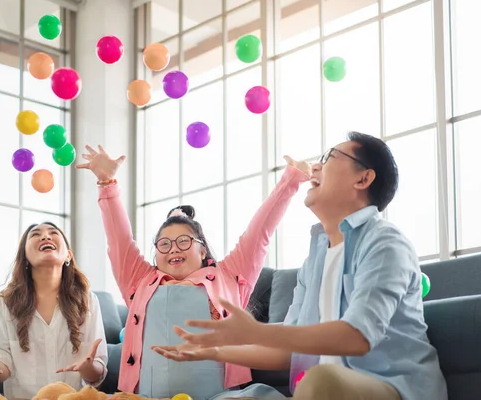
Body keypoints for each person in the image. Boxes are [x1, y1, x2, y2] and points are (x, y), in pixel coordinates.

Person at [153, 132, 448, 400]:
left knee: (322, 381)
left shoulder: (385, 242)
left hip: (393, 388)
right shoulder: (315, 258)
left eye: (329, 159)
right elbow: (290, 349)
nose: (315, 168)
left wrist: (255, 332)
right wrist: (212, 352)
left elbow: (356, 337)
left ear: (363, 179)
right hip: (320, 388)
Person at [76, 144, 310, 399]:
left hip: (218, 395)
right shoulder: (140, 280)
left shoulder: (229, 275)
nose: (173, 249)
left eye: (184, 241)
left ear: (203, 250)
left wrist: (291, 181)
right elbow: (119, 239)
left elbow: (260, 232)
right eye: (164, 243)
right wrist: (107, 183)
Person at [0, 222, 108, 400]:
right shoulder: (3, 303)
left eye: (53, 232)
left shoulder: (88, 301)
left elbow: (98, 371)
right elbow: (2, 369)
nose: (45, 236)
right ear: (24, 257)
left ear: (68, 255)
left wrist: (89, 369)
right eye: (35, 234)